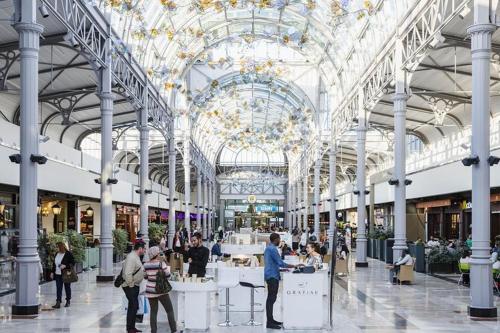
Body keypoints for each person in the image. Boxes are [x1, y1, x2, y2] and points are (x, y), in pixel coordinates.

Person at [264, 233, 295, 330]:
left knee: (272, 298)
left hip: (271, 274)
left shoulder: (269, 248)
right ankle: (269, 322)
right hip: (272, 276)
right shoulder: (272, 249)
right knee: (271, 299)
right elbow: (280, 263)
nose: (280, 241)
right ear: (276, 239)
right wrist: (294, 266)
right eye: (279, 239)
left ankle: (271, 320)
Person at [144, 246, 177, 333]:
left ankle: (153, 331)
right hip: (161, 290)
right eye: (159, 253)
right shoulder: (161, 263)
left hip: (150, 290)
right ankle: (174, 330)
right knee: (169, 310)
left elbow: (145, 276)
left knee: (153, 312)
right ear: (156, 254)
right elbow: (168, 275)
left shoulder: (146, 264)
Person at [121, 240, 146, 333]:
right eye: (144, 249)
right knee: (133, 306)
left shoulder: (136, 256)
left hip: (134, 285)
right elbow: (128, 273)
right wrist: (131, 285)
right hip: (130, 286)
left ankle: (131, 327)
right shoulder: (131, 257)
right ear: (140, 249)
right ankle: (130, 328)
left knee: (133, 306)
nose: (145, 250)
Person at [51, 242, 75, 309]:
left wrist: (65, 266)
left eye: (57, 247)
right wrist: (52, 272)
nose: (56, 248)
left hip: (66, 273)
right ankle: (58, 302)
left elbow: (73, 263)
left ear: (61, 247)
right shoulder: (57, 254)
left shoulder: (68, 254)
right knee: (58, 288)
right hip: (57, 274)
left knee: (67, 287)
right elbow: (54, 264)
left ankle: (68, 301)